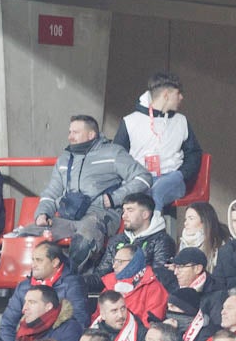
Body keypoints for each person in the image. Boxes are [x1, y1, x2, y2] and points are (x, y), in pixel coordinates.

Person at [32, 115, 152, 270]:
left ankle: (71, 280)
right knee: (26, 234)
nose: (70, 137)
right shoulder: (64, 159)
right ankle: (38, 281)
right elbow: (51, 191)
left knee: (84, 240)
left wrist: (113, 198)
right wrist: (42, 213)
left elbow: (144, 178)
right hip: (68, 216)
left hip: (100, 214)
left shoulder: (113, 153)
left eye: (75, 132)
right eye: (70, 132)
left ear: (91, 134)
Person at [112, 73, 203, 213]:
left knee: (157, 191)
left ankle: (153, 225)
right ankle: (151, 224)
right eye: (178, 93)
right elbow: (117, 157)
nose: (181, 97)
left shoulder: (181, 121)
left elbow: (194, 154)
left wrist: (181, 174)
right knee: (142, 194)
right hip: (140, 179)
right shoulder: (130, 121)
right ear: (166, 95)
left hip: (173, 178)